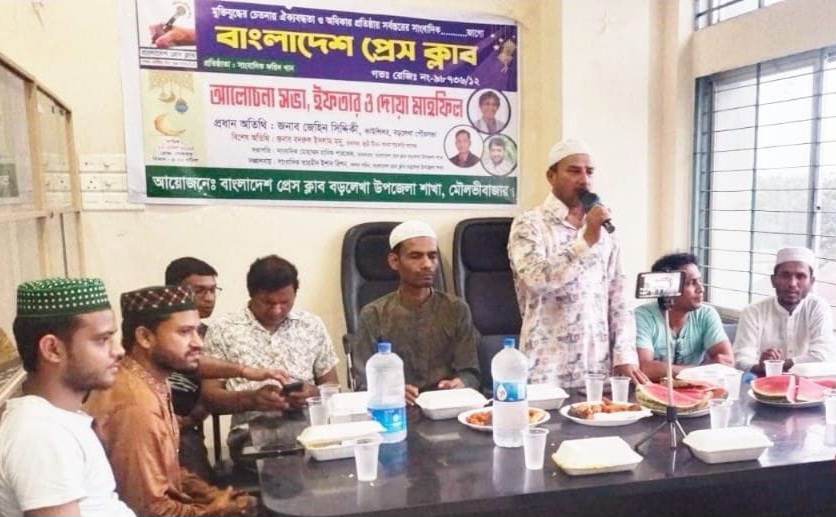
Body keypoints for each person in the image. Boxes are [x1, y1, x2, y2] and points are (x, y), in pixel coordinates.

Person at [84, 286, 256, 517]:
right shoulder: (135, 406)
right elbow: (148, 509)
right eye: (185, 332)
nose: (198, 343)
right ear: (145, 337)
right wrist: (217, 511)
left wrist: (213, 495)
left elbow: (169, 471)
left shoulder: (152, 381)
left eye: (197, 331)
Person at [507, 139, 646, 387]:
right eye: (574, 171)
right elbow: (536, 280)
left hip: (597, 368)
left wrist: (624, 355)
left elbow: (619, 296)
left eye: (589, 172)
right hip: (545, 369)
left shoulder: (603, 227)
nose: (584, 180)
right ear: (551, 176)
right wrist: (586, 241)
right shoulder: (529, 224)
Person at [0, 278, 135, 517]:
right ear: (52, 349)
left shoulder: (58, 420)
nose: (118, 351)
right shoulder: (40, 433)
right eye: (102, 340)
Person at [202, 255, 339, 465]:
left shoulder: (311, 325)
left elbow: (332, 388)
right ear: (251, 295)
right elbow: (210, 398)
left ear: (295, 294)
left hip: (311, 431)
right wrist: (251, 400)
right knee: (283, 464)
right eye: (267, 303)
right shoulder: (223, 329)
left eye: (285, 302)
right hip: (250, 435)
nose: (277, 310)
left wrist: (312, 394)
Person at [164, 257, 287, 480]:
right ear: (174, 292)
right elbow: (188, 363)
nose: (209, 298)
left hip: (185, 430)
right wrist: (246, 371)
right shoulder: (160, 329)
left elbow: (207, 391)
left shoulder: (207, 333)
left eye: (213, 290)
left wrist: (192, 419)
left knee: (201, 480)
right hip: (153, 421)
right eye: (199, 291)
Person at [351, 220, 481, 405]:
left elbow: (470, 372)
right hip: (394, 408)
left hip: (445, 406)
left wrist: (461, 383)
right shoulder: (373, 314)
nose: (427, 264)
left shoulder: (456, 309)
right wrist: (390, 390)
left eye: (432, 256)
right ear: (394, 261)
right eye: (415, 256)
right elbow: (363, 381)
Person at [734, 247, 835, 375]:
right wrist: (759, 366)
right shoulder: (753, 312)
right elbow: (740, 360)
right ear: (773, 280)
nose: (792, 283)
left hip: (809, 384)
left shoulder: (818, 308)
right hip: (764, 381)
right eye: (785, 275)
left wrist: (776, 364)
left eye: (800, 276)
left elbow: (823, 355)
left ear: (811, 282)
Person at [635, 253, 734, 381]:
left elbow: (727, 361)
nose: (701, 289)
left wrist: (668, 370)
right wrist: (699, 371)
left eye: (700, 281)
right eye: (690, 283)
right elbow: (644, 368)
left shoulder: (706, 314)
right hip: (651, 390)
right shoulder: (643, 316)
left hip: (696, 388)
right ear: (667, 289)